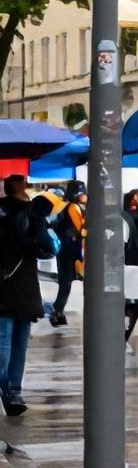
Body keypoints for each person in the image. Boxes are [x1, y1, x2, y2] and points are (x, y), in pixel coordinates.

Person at [0, 176, 53, 416]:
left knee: (5, 343)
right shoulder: (32, 214)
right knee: (17, 344)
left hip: (6, 285)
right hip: (24, 287)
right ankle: (13, 389)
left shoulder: (25, 213)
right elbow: (47, 247)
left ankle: (9, 389)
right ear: (21, 187)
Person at [50, 181, 86, 327]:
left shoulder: (69, 206)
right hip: (69, 251)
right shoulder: (73, 207)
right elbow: (81, 229)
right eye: (83, 192)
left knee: (67, 282)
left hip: (68, 250)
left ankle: (58, 311)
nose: (86, 195)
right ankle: (57, 312)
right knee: (66, 282)